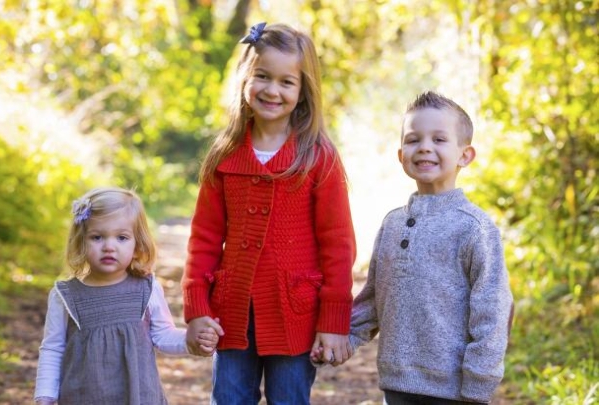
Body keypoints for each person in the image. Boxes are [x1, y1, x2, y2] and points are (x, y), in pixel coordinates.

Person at [181, 22, 357, 404]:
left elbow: (338, 244)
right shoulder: (225, 154)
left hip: (295, 315)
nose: (272, 90)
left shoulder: (317, 157)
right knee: (229, 398)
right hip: (231, 312)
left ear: (303, 90)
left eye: (286, 82)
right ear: (245, 78)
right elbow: (204, 239)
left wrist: (333, 321)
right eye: (262, 76)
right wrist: (197, 308)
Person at [317, 91, 514, 404]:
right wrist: (344, 338)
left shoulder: (473, 228)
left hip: (453, 390)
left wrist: (479, 382)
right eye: (413, 139)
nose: (424, 147)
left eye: (439, 139)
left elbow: (493, 309)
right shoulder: (393, 223)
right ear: (401, 155)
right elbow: (374, 297)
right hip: (396, 383)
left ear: (465, 155)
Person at [34, 187, 222, 405]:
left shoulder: (146, 289)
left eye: (121, 238)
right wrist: (45, 396)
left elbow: (162, 335)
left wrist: (191, 340)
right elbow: (53, 348)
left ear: (137, 244)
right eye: (97, 237)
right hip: (82, 398)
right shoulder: (65, 296)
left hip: (140, 397)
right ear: (81, 241)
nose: (109, 247)